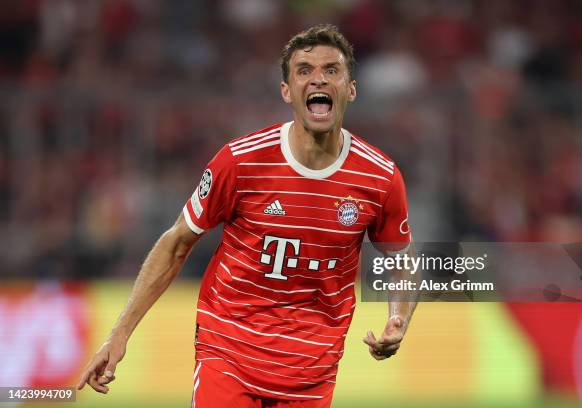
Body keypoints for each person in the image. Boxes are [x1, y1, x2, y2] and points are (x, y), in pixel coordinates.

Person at [77, 24, 417, 407]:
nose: (318, 79)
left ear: (350, 89)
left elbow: (402, 259)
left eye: (331, 70)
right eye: (304, 70)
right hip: (229, 354)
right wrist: (119, 334)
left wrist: (398, 318)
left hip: (312, 372)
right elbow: (176, 243)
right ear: (287, 92)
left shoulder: (379, 177)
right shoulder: (241, 161)